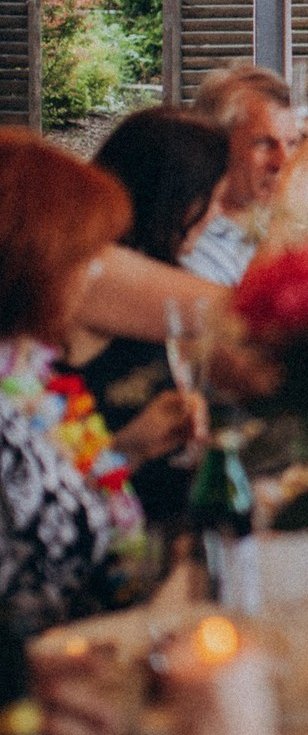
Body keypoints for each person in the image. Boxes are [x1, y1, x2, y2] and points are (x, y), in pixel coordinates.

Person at [0, 131, 144, 636]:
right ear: (31, 262)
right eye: (83, 255)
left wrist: (130, 449)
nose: (96, 272)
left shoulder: (27, 374)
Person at [62, 107, 230, 527]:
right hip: (112, 549)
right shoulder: (97, 273)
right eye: (212, 197)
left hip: (155, 528)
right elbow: (240, 312)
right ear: (176, 198)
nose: (216, 214)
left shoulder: (143, 269)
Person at [182, 65, 300, 285]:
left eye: (292, 143)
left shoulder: (290, 225)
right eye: (264, 143)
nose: (284, 162)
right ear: (215, 147)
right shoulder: (193, 246)